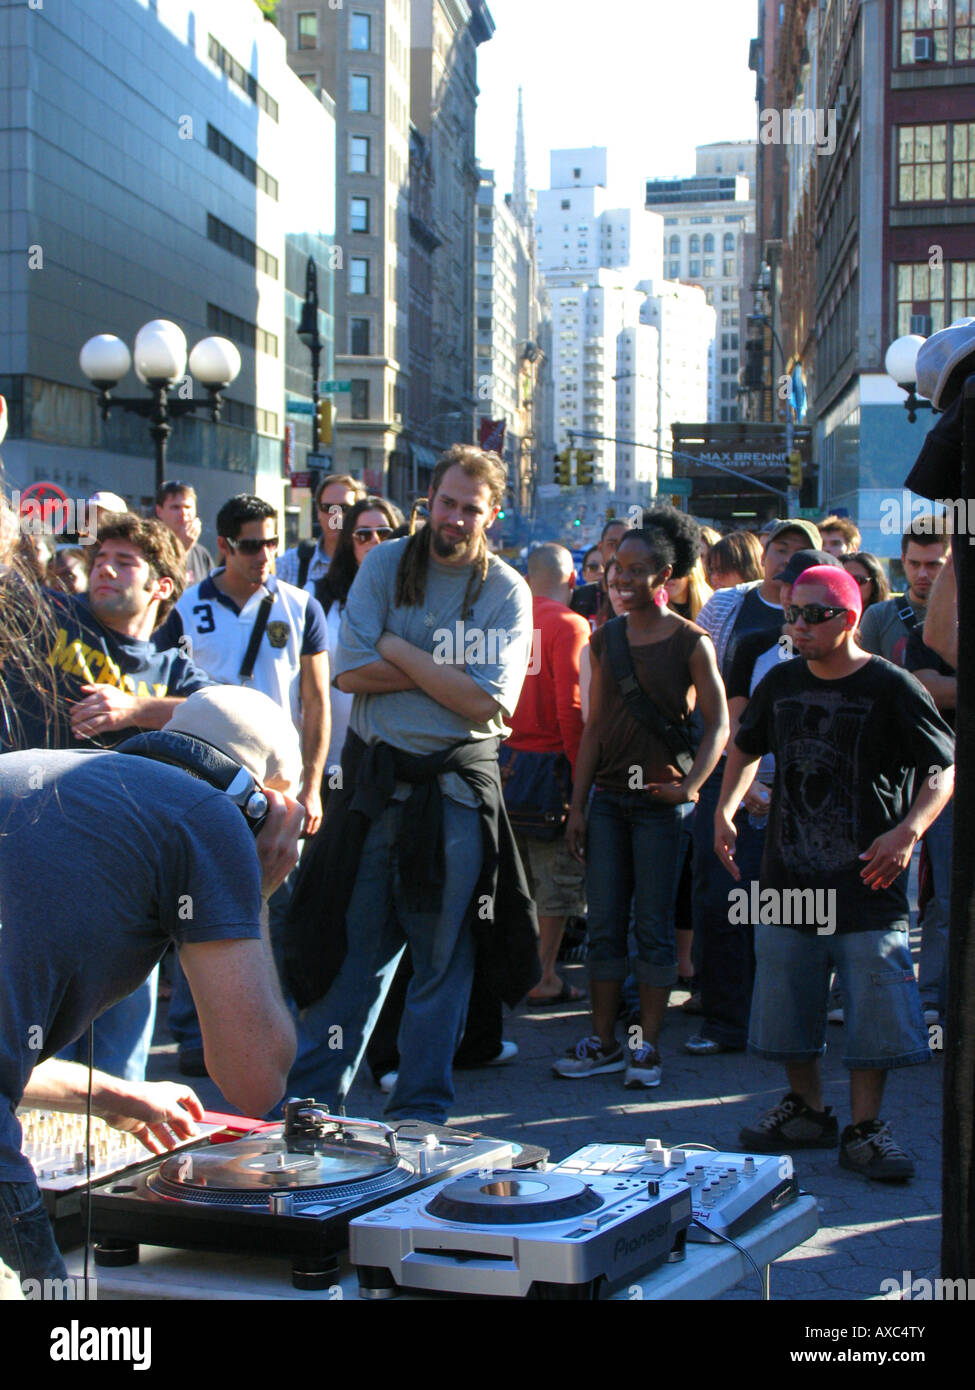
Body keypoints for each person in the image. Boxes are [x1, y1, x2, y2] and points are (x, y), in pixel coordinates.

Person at [0, 685, 303, 1284]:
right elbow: (254, 1077)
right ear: (262, 803)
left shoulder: (22, 769)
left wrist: (116, 1098)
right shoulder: (206, 817)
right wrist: (255, 894)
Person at [281, 444, 538, 1124]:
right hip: (374, 791)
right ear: (429, 499)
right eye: (445, 504)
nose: (453, 519)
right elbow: (346, 673)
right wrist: (438, 669)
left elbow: (485, 702)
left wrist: (392, 646)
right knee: (350, 961)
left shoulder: (506, 589)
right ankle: (306, 1110)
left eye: (470, 509)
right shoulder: (387, 562)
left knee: (440, 965)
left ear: (493, 515)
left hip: (453, 798)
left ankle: (420, 1114)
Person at [715, 565, 954, 1180]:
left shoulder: (893, 686)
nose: (797, 625)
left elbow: (943, 769)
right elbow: (745, 743)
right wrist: (725, 806)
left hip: (868, 884)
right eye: (793, 613)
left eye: (813, 615)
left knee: (874, 1008)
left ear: (848, 619)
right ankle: (809, 1111)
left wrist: (909, 832)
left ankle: (866, 1128)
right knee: (786, 1000)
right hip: (788, 878)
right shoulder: (782, 681)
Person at [556, 509, 728, 1088]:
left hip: (662, 806)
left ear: (666, 575)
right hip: (607, 802)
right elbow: (595, 729)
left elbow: (720, 725)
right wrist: (578, 807)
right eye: (613, 569)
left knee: (652, 927)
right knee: (604, 925)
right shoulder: (605, 639)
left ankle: (646, 1047)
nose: (620, 579)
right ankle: (603, 1042)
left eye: (635, 570)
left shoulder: (691, 641)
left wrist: (691, 787)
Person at [685, 549, 843, 1056]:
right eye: (790, 590)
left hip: (821, 809)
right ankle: (728, 1023)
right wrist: (742, 790)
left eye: (809, 594)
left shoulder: (856, 659)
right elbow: (734, 725)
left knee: (806, 919)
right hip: (757, 796)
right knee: (731, 905)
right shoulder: (754, 644)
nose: (795, 602)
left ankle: (800, 1025)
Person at [165, 494, 330, 837]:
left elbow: (316, 703)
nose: (265, 555)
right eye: (252, 546)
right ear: (224, 545)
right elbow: (162, 687)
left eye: (272, 543)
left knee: (275, 883)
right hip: (201, 774)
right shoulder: (185, 606)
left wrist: (312, 787)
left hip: (276, 781)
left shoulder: (301, 607)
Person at [4, 513, 211, 754]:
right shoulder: (51, 613)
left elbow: (234, 717)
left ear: (162, 587)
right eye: (99, 560)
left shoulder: (173, 670)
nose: (105, 570)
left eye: (123, 563)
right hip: (22, 786)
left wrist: (136, 709)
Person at [505, 543, 590, 1005]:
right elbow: (571, 709)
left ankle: (514, 970)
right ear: (573, 580)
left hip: (502, 764)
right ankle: (544, 976)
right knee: (556, 881)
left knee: (516, 879)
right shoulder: (570, 624)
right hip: (550, 771)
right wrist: (582, 782)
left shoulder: (503, 617)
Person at [312, 494, 404, 785]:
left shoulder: (419, 595)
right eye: (363, 535)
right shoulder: (318, 596)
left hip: (400, 751)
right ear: (349, 542)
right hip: (333, 756)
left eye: (384, 533)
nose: (374, 541)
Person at [857, 523, 949, 666]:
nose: (922, 574)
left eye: (932, 565)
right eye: (914, 564)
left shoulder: (963, 617)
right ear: (903, 560)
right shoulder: (879, 617)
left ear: (949, 564)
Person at [276, 473, 367, 592]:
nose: (336, 516)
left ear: (358, 514)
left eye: (344, 508)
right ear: (318, 513)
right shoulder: (289, 564)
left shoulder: (371, 564)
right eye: (328, 508)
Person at [571, 518, 629, 625]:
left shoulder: (641, 596)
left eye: (624, 544)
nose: (618, 551)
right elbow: (538, 633)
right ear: (600, 547)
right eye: (612, 544)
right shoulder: (580, 597)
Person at [155, 480, 214, 584]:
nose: (183, 513)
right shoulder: (152, 547)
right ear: (159, 511)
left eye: (188, 507)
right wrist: (182, 549)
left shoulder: (201, 554)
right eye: (175, 507)